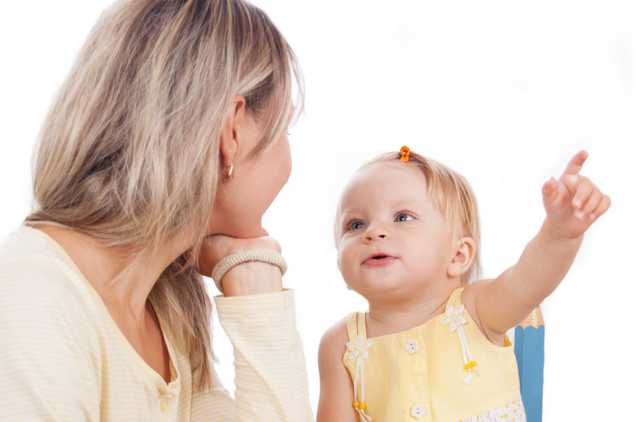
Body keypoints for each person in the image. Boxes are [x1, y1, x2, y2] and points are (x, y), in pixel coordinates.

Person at [0, 0, 314, 421]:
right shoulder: (36, 300)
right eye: (284, 128)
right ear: (232, 131)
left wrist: (256, 283)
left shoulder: (166, 311)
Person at [317, 147, 610, 422]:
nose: (374, 232)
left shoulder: (476, 309)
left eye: (402, 217)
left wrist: (560, 234)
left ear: (458, 255)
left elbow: (529, 280)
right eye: (356, 224)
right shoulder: (340, 344)